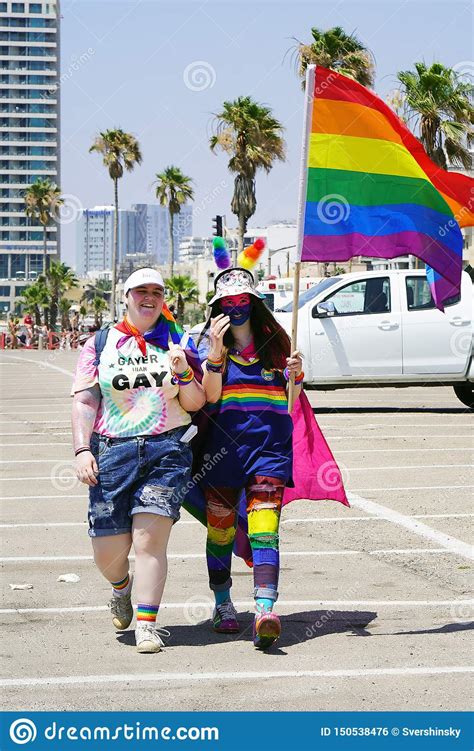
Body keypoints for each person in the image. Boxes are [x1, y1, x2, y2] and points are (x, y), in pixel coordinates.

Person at [71, 268, 205, 654]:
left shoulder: (177, 340)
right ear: (125, 297)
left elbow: (196, 404)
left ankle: (147, 625)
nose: (150, 298)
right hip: (112, 452)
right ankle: (121, 588)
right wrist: (82, 450)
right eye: (141, 291)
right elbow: (84, 400)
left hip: (168, 450)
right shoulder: (99, 343)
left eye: (157, 292)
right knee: (108, 553)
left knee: (150, 541)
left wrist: (182, 372)